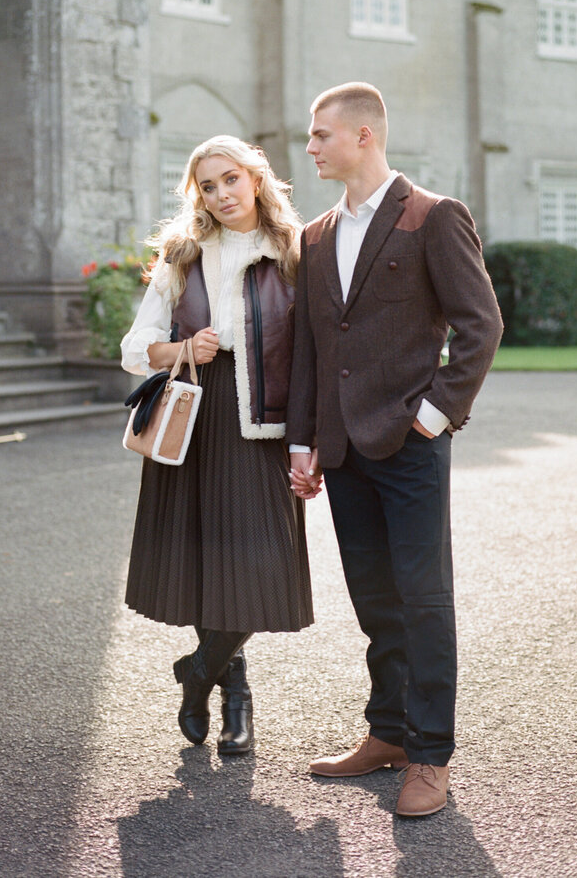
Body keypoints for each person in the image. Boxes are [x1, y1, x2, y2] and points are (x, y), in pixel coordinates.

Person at [287, 83, 503, 816]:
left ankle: (431, 753)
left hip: (411, 443)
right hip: (344, 448)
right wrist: (304, 442)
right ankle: (389, 732)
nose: (310, 147)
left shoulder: (433, 217)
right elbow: (316, 348)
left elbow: (481, 325)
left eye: (321, 135)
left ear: (363, 137)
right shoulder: (314, 236)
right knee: (375, 597)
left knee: (424, 598)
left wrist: (435, 417)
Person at [121, 135, 314, 757]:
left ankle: (199, 670)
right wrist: (182, 349)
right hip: (199, 415)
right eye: (208, 185)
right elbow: (134, 348)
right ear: (197, 193)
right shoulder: (183, 254)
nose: (222, 194)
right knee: (211, 562)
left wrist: (312, 437)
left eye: (231, 179)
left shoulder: (295, 250)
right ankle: (235, 696)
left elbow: (316, 348)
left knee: (260, 564)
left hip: (266, 421)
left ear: (255, 179)